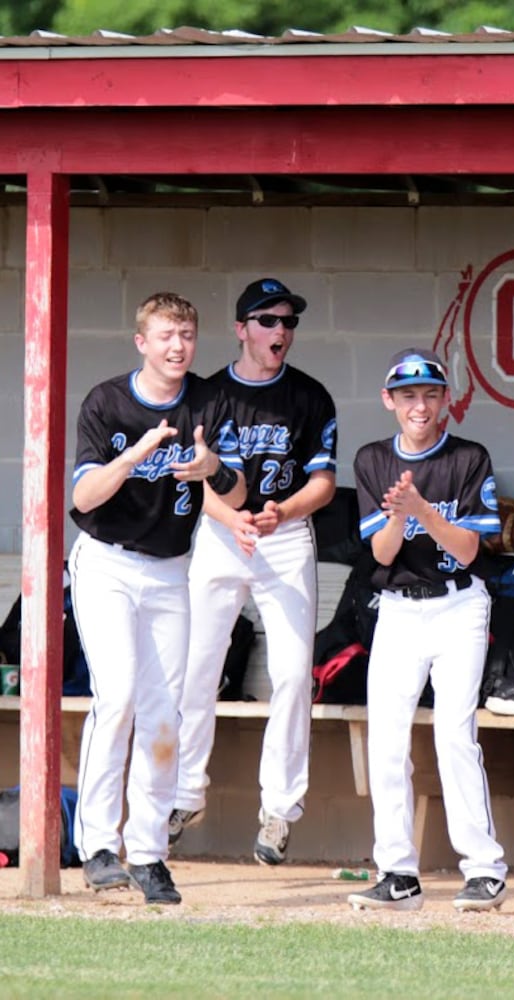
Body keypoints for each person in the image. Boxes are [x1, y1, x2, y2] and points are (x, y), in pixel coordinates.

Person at [69, 292, 247, 905]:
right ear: (142, 342)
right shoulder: (107, 401)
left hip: (172, 569)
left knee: (165, 714)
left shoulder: (209, 399)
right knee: (115, 697)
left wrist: (212, 469)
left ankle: (148, 854)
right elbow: (85, 498)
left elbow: (239, 488)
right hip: (107, 563)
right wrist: (136, 454)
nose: (178, 346)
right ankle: (96, 844)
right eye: (167, 335)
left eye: (187, 335)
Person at [171, 278, 338, 865]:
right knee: (197, 666)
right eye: (267, 321)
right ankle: (184, 792)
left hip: (285, 535)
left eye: (288, 321)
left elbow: (323, 482)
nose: (280, 331)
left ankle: (278, 811)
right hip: (221, 533)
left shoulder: (310, 395)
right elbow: (196, 481)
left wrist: (282, 512)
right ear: (241, 328)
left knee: (292, 675)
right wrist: (231, 517)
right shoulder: (210, 393)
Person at [346, 348, 507, 913]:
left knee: (453, 736)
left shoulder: (467, 457)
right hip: (398, 608)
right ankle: (397, 872)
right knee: (386, 741)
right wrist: (399, 512)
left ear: (446, 402)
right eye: (408, 395)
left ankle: (484, 868)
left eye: (431, 394)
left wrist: (422, 508)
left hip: (458, 607)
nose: (420, 405)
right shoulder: (371, 459)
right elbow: (382, 552)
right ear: (389, 401)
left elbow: (467, 551)